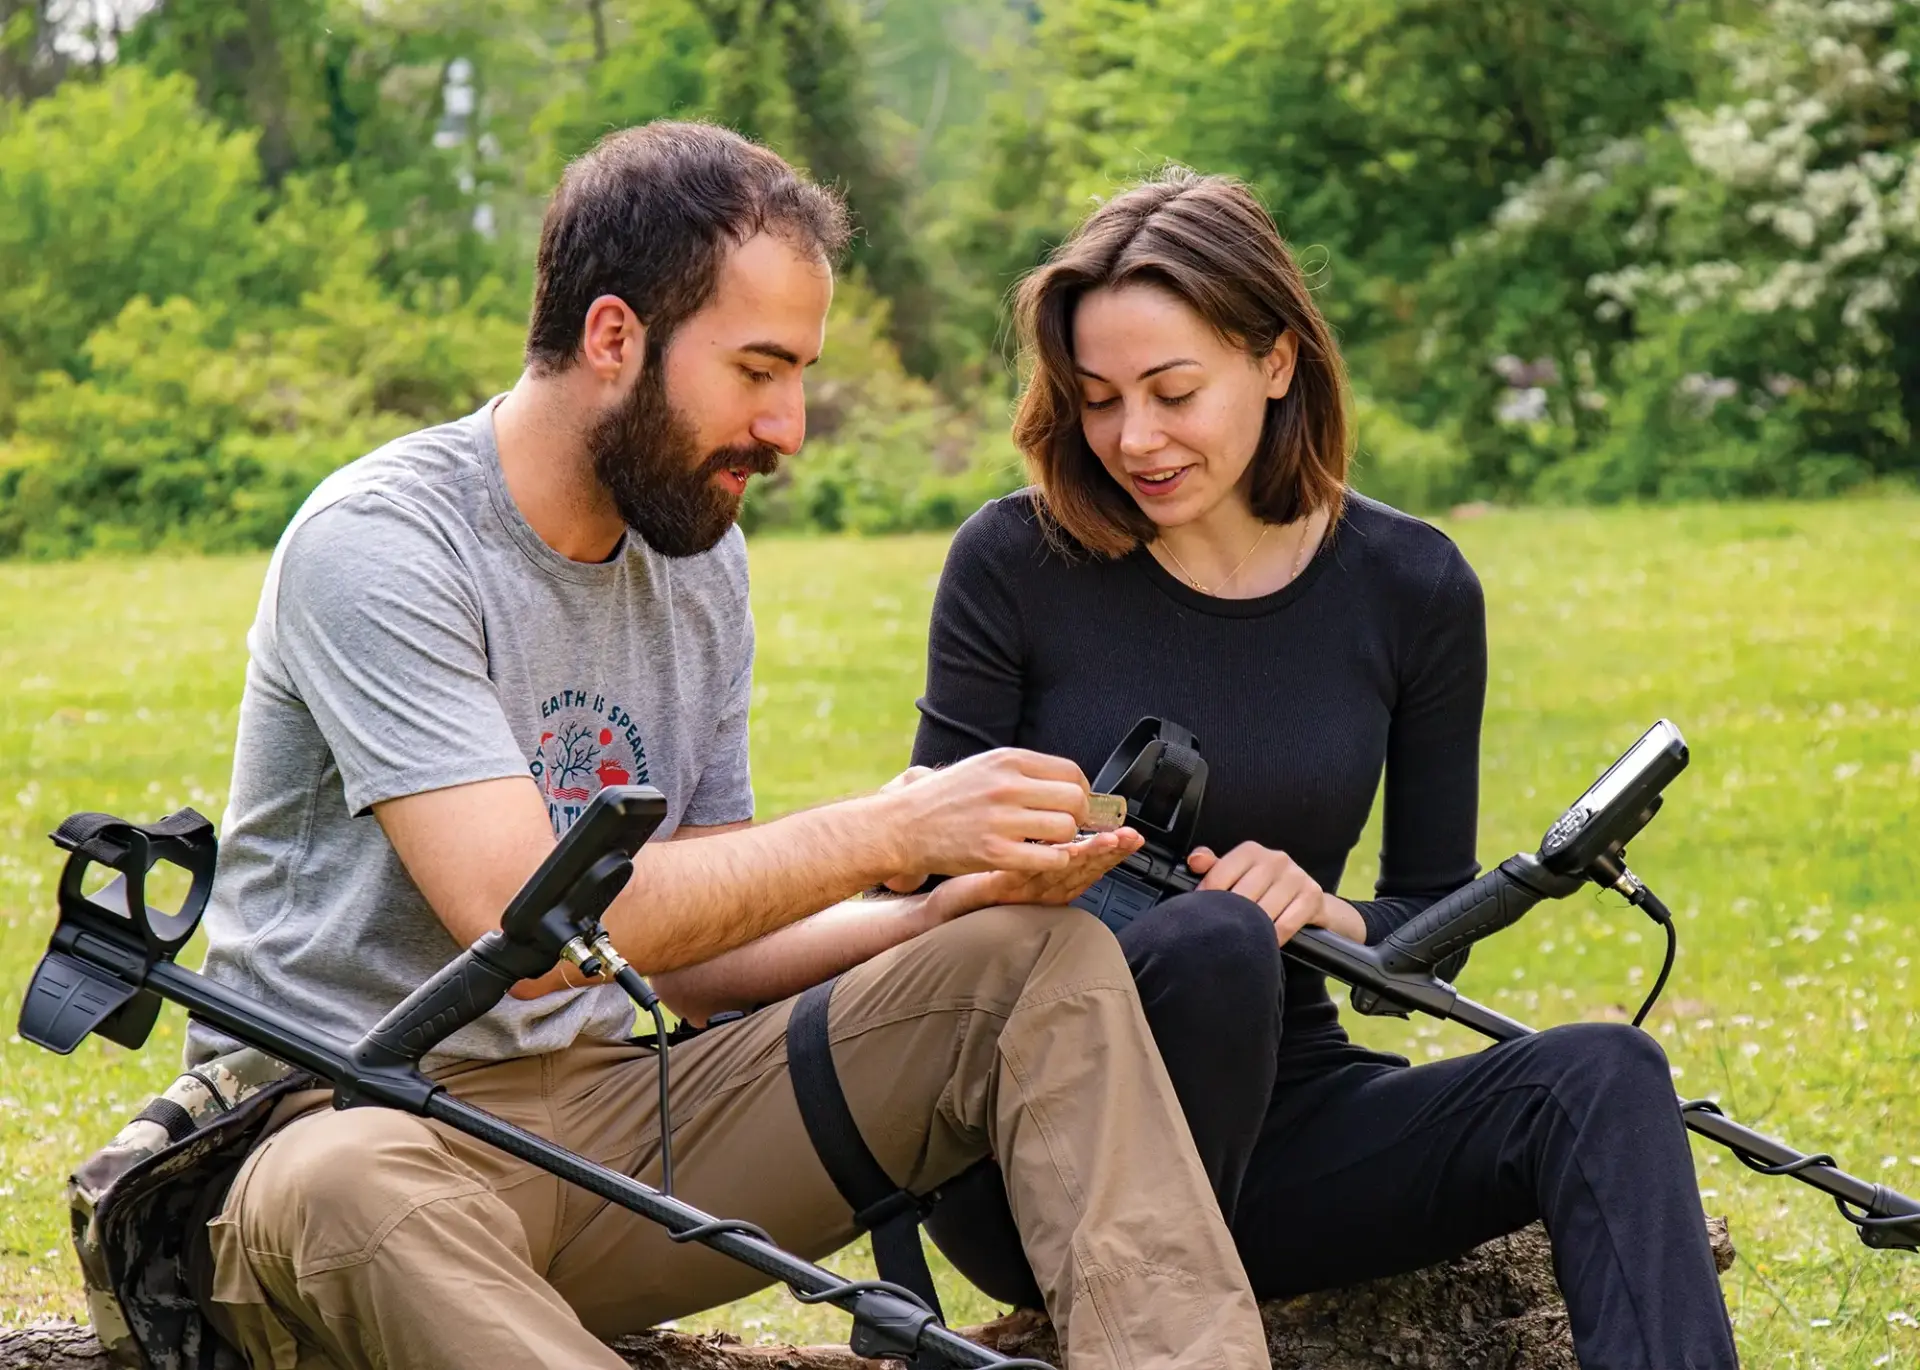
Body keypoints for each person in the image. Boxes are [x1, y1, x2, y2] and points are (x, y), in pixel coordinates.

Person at [191, 124, 1272, 1370]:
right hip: (351, 1126)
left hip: (612, 1123)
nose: (790, 424)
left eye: (800, 373)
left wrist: (937, 911)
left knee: (1034, 959)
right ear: (614, 337)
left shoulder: (696, 559)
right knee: (339, 1184)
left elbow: (698, 951)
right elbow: (522, 928)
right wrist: (889, 827)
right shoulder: (384, 542)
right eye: (759, 369)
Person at [907, 167, 1741, 1370]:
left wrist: (1328, 909)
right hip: (1029, 1130)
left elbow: (1427, 925)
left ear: (1277, 359)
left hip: (1282, 1122)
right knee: (1213, 940)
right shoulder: (1013, 561)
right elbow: (917, 883)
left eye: (1173, 392)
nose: (1134, 438)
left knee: (1606, 1070)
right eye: (1098, 400)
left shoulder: (1413, 585)